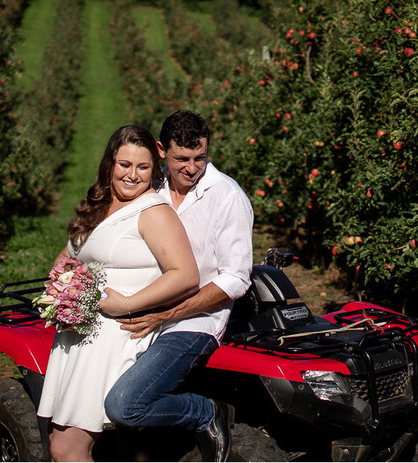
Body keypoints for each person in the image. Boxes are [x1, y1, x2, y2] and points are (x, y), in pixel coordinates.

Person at [36, 125, 200, 462]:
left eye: (143, 167)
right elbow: (67, 257)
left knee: (66, 448)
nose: (132, 175)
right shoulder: (97, 204)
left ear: (154, 170)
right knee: (64, 443)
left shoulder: (152, 212)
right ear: (110, 163)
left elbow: (186, 274)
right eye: (124, 164)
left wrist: (126, 303)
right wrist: (63, 292)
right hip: (78, 335)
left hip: (112, 339)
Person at [104, 110, 254, 461]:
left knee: (124, 405)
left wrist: (167, 313)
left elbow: (235, 278)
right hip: (139, 309)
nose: (192, 168)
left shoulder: (227, 197)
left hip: (191, 322)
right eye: (181, 159)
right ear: (161, 150)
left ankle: (205, 412)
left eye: (200, 157)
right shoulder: (149, 187)